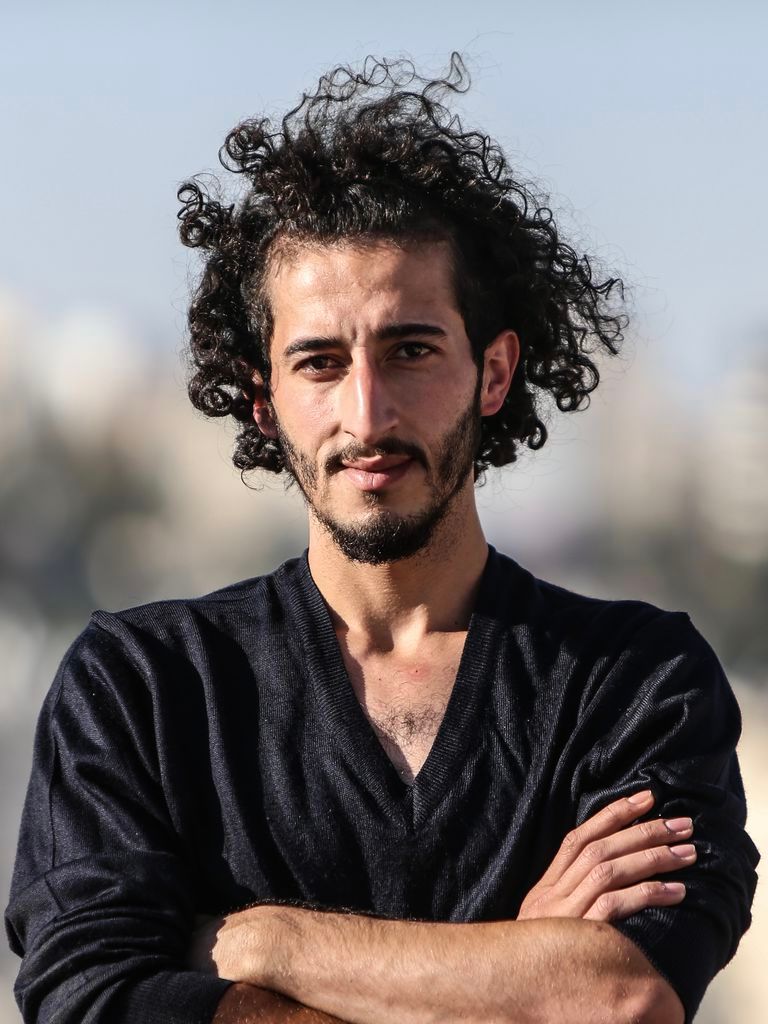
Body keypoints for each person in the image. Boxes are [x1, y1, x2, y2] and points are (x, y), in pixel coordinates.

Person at [5, 55, 758, 1024]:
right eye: (320, 362)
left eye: (410, 350)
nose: (367, 413)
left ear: (494, 373)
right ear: (264, 398)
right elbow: (92, 998)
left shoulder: (636, 684)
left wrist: (269, 944)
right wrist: (513, 969)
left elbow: (619, 995)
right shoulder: (143, 687)